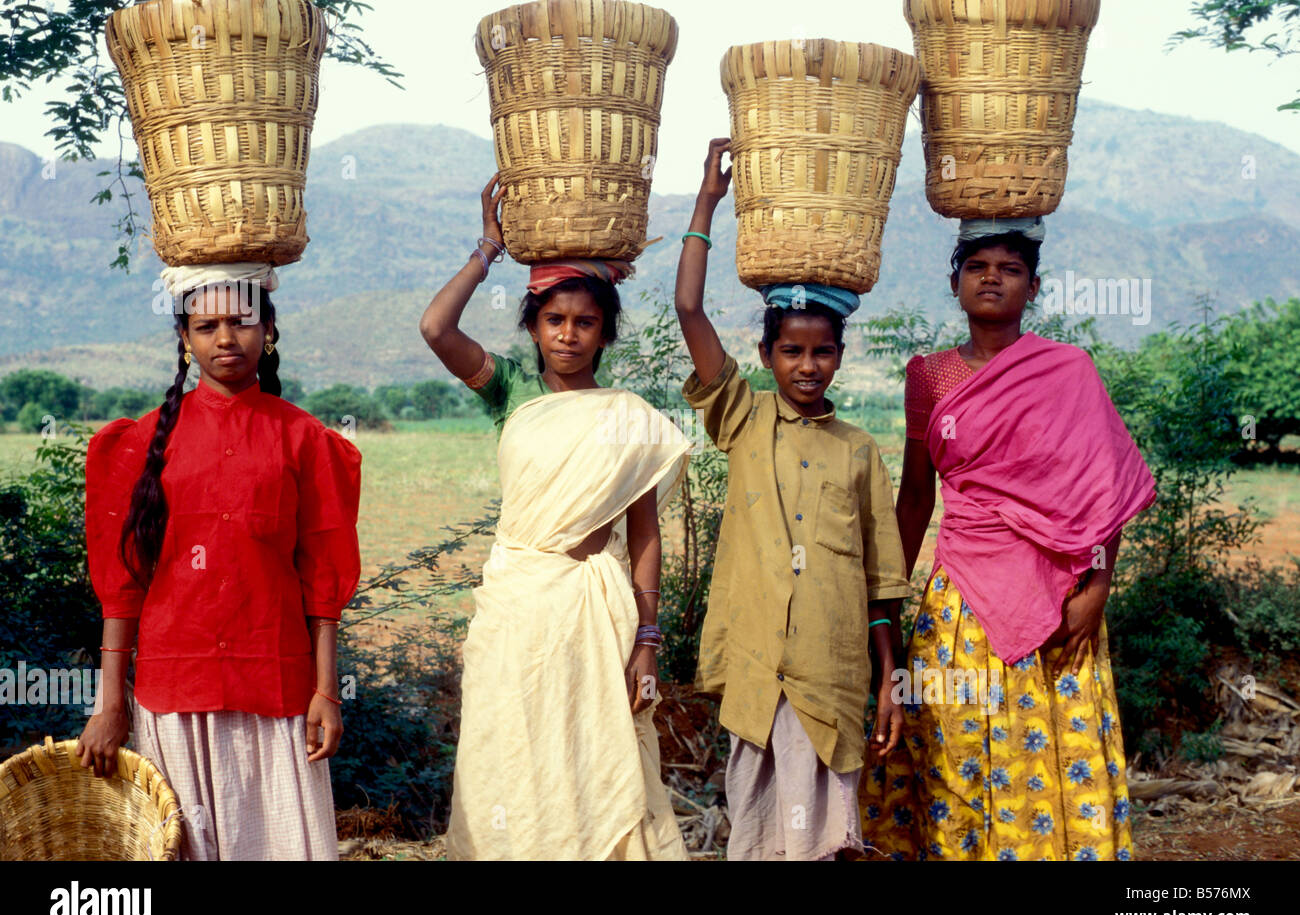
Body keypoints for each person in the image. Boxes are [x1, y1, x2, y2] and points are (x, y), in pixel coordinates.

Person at [857, 218, 1156, 861]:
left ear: (1035, 286)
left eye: (1010, 268)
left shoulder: (1067, 371)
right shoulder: (929, 376)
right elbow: (916, 497)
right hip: (961, 597)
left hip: (1058, 599)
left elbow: (1104, 492)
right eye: (977, 266)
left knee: (1049, 746)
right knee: (954, 748)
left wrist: (1099, 586)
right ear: (955, 282)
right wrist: (886, 598)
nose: (992, 276)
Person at [420, 175, 692, 860]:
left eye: (585, 322)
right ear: (533, 325)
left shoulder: (628, 418)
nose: (568, 335)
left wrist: (648, 640)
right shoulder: (509, 389)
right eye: (554, 320)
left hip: (595, 616)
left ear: (605, 332)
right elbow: (435, 328)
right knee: (508, 755)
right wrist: (488, 248)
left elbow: (644, 535)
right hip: (516, 607)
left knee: (595, 760)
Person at [675, 138, 911, 861]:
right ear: (766, 353)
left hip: (834, 674)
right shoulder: (742, 417)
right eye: (792, 351)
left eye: (822, 352)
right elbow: (688, 307)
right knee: (756, 828)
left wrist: (890, 683)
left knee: (829, 840)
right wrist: (708, 204)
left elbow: (880, 586)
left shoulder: (859, 449)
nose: (808, 366)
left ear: (840, 354)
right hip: (756, 671)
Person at [77, 266, 362, 861]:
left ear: (271, 330)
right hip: (172, 693)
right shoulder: (140, 444)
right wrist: (109, 706)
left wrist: (326, 691)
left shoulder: (306, 440)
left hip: (278, 689)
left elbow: (324, 578)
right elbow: (123, 586)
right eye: (206, 326)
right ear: (185, 338)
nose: (225, 339)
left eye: (241, 322)